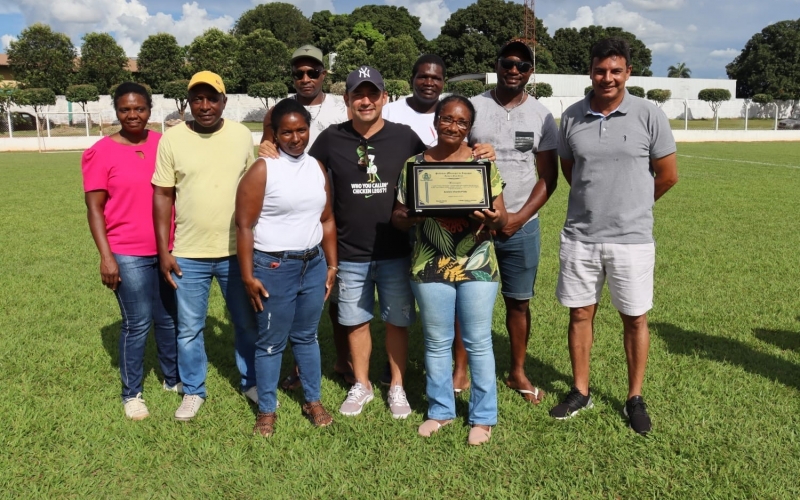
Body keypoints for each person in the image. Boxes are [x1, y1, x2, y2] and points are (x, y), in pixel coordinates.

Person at [309, 66, 496, 420]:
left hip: (398, 249)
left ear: (384, 98)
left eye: (372, 94)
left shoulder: (405, 137)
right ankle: (362, 384)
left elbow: (440, 162)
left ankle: (396, 385)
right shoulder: (332, 138)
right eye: (357, 95)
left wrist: (477, 150)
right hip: (351, 250)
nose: (365, 101)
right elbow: (303, 167)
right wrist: (271, 144)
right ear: (347, 100)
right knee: (356, 320)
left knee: (397, 320)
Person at [551, 38, 678, 435]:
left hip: (632, 239)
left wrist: (634, 205)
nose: (607, 77)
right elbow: (570, 172)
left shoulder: (649, 114)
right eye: (600, 70)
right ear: (590, 71)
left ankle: (634, 397)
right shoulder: (571, 116)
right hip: (581, 237)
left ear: (628, 72)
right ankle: (580, 391)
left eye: (616, 70)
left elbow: (668, 175)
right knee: (580, 313)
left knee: (635, 318)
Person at [392, 95, 507, 445]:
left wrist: (491, 217)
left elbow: (501, 216)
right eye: (447, 119)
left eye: (461, 122)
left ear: (469, 128)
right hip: (430, 261)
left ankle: (483, 417)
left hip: (478, 264)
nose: (453, 127)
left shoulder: (482, 163)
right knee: (437, 340)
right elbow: (398, 218)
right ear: (436, 121)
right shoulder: (415, 165)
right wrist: (416, 213)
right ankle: (441, 410)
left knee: (478, 340)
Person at [152, 71, 259, 421]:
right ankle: (194, 390)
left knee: (245, 324)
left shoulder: (242, 136)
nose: (204, 105)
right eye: (197, 98)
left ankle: (252, 381)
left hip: (235, 251)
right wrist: (164, 250)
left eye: (212, 98)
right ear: (188, 103)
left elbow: (255, 189)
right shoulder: (172, 139)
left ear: (224, 101)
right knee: (189, 327)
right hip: (188, 253)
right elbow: (163, 195)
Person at [236, 99, 338, 437]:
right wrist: (249, 276)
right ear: (274, 134)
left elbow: (326, 219)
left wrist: (332, 264)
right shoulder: (263, 169)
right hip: (274, 266)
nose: (295, 138)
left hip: (312, 264)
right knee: (270, 342)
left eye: (301, 130)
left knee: (307, 337)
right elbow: (245, 226)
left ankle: (313, 399)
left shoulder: (316, 167)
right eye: (286, 132)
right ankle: (267, 409)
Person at [466, 40, 559, 404]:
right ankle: (462, 369)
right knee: (467, 298)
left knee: (518, 302)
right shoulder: (474, 107)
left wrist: (518, 219)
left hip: (522, 225)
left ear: (530, 72)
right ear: (498, 65)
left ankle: (517, 370)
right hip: (475, 225)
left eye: (522, 65)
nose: (514, 70)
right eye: (508, 63)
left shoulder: (541, 115)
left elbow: (548, 177)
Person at [82, 82, 180, 421]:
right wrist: (106, 256)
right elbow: (95, 209)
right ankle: (132, 393)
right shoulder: (101, 152)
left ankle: (172, 379)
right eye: (125, 109)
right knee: (137, 323)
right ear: (116, 111)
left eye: (139, 108)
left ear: (150, 110)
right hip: (126, 252)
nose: (133, 115)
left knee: (168, 320)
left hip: (168, 248)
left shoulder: (164, 144)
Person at [258, 44, 352, 390]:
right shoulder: (279, 111)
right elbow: (268, 150)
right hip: (294, 215)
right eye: (299, 73)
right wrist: (264, 145)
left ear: (324, 74)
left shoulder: (339, 109)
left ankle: (343, 360)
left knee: (337, 293)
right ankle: (299, 369)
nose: (306, 78)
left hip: (336, 207)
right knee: (299, 300)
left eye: (313, 72)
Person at [382, 54, 446, 147]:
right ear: (412, 80)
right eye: (423, 77)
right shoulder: (388, 112)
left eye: (436, 78)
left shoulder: (453, 118)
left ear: (443, 83)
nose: (429, 83)